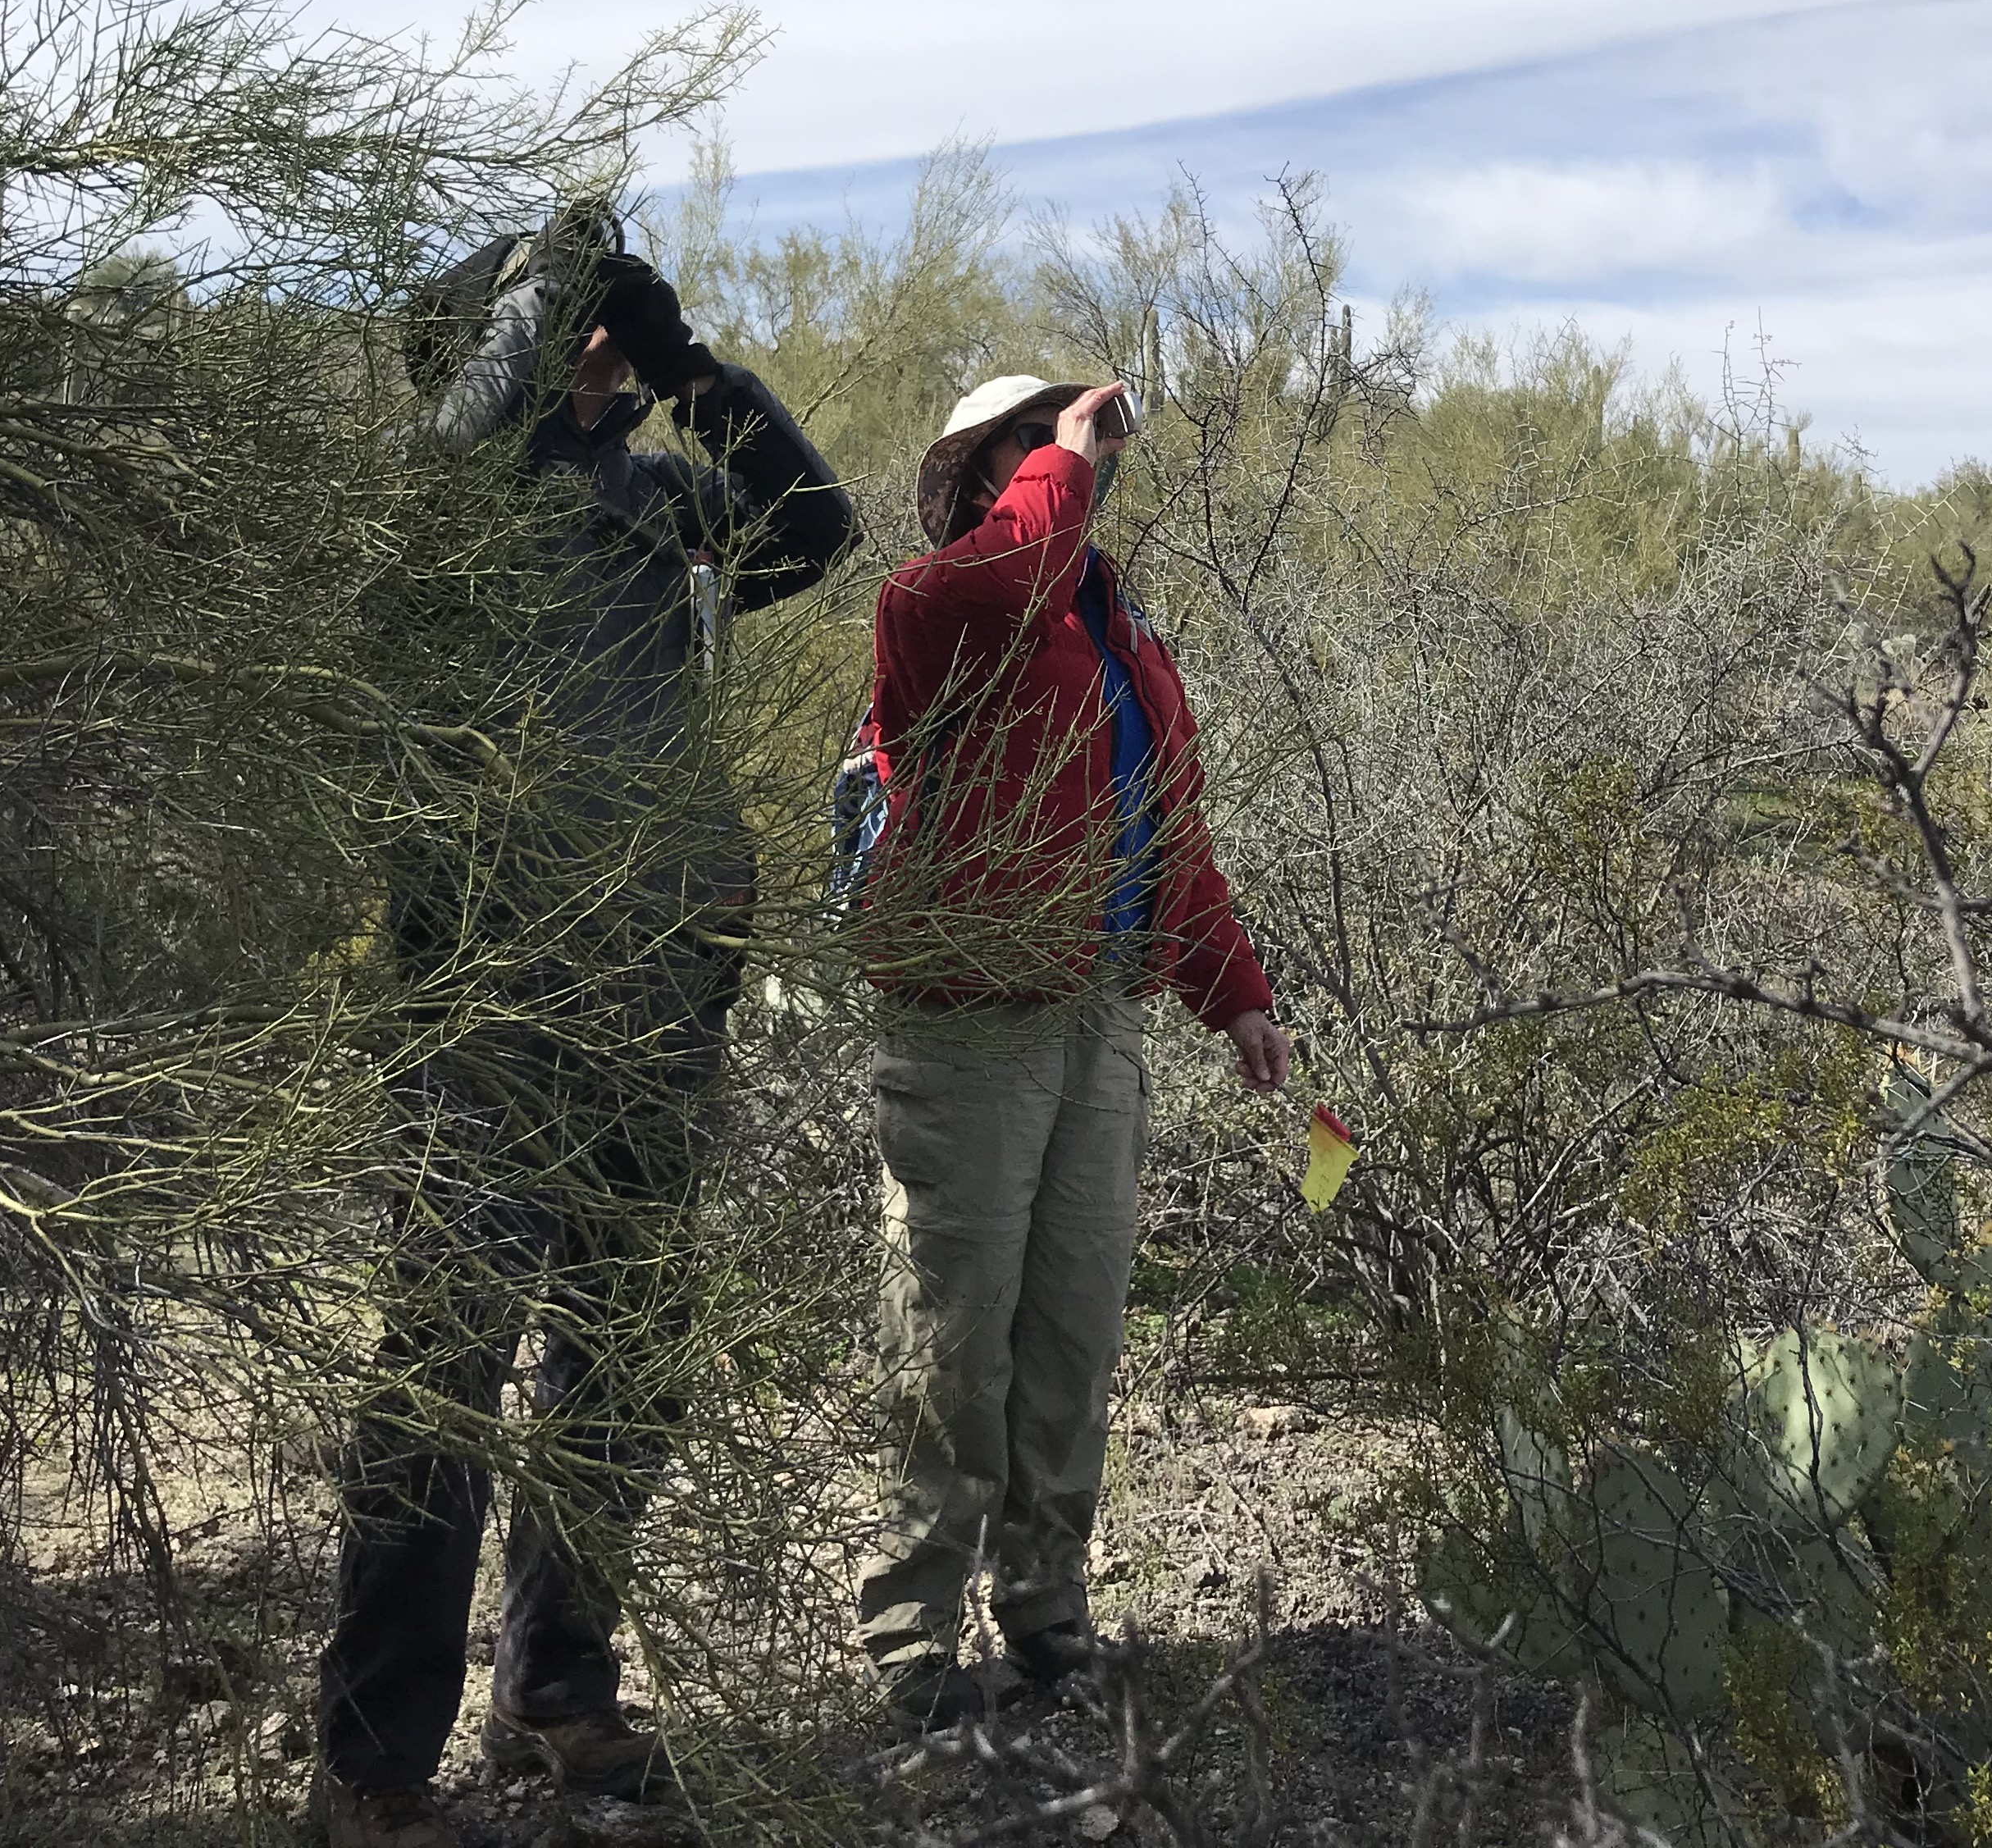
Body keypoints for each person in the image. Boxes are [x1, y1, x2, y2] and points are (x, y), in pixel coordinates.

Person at [310, 219, 855, 1848]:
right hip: (486, 984)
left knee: (621, 1355)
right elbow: (420, 486)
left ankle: (558, 1690)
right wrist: (536, 305)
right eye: (575, 331)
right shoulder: (453, 505)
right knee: (446, 1367)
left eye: (601, 327)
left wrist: (694, 370)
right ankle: (368, 1764)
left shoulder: (664, 504)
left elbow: (815, 526)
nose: (601, 348)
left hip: (660, 976)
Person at [850, 372, 1291, 1730]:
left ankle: (1045, 1607)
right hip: (971, 1010)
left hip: (1098, 1009)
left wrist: (1235, 990)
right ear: (990, 473)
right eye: (1037, 446)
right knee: (951, 1327)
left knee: (1074, 1329)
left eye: (1068, 443)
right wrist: (1063, 461)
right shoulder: (943, 605)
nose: (1075, 460)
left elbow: (1172, 826)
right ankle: (911, 1636)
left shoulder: (1115, 630)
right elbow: (975, 594)